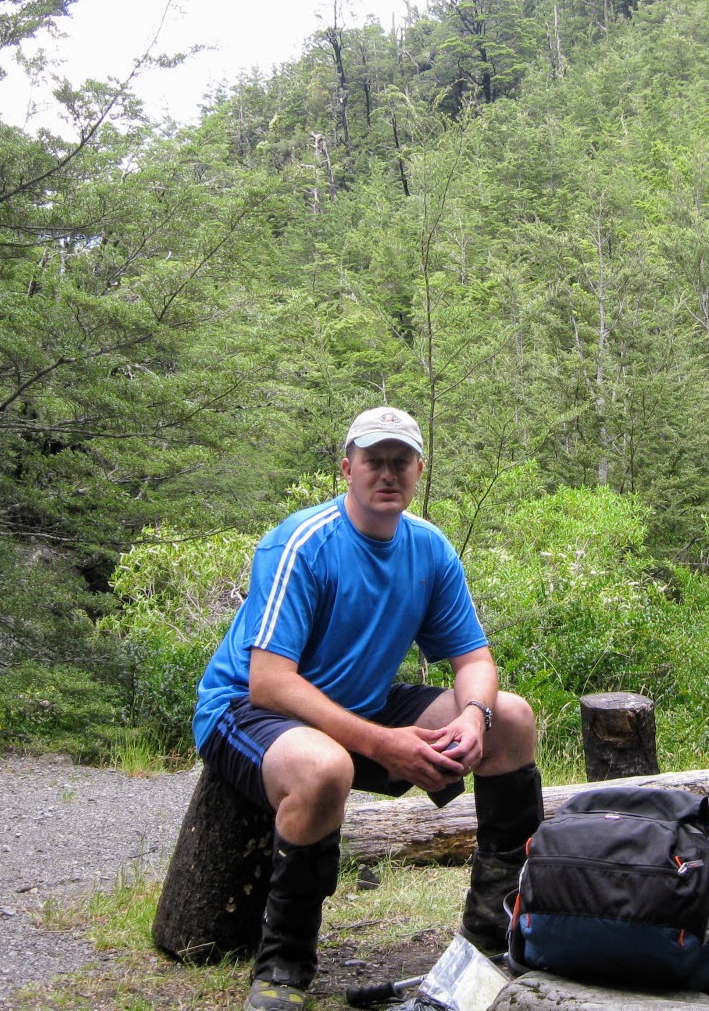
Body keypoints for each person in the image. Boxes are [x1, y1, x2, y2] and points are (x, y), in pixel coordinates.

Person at [192, 406, 541, 1011]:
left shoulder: (428, 550)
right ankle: (283, 968)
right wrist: (382, 745)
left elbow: (475, 662)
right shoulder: (301, 543)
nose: (387, 474)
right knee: (326, 766)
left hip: (359, 702)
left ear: (418, 470)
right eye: (374, 461)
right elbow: (269, 683)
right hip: (245, 712)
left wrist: (473, 718)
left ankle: (492, 934)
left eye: (400, 461)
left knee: (510, 717)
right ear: (347, 467)